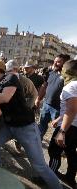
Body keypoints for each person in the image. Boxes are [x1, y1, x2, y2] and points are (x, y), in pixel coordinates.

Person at [0, 59, 62, 189]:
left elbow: (5, 97)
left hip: (26, 128)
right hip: (8, 127)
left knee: (39, 166)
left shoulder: (10, 78)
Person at [48, 59, 77, 189]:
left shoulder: (71, 86)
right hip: (74, 126)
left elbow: (71, 110)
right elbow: (71, 107)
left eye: (63, 71)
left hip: (69, 127)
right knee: (71, 152)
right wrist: (58, 119)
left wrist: (62, 131)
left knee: (54, 150)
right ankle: (70, 178)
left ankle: (50, 178)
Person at [36, 54, 70, 139]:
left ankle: (57, 147)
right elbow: (44, 86)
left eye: (58, 62)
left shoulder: (68, 77)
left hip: (58, 108)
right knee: (41, 125)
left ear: (65, 63)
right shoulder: (51, 72)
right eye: (54, 62)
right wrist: (38, 98)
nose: (55, 64)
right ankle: (36, 143)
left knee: (58, 129)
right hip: (46, 105)